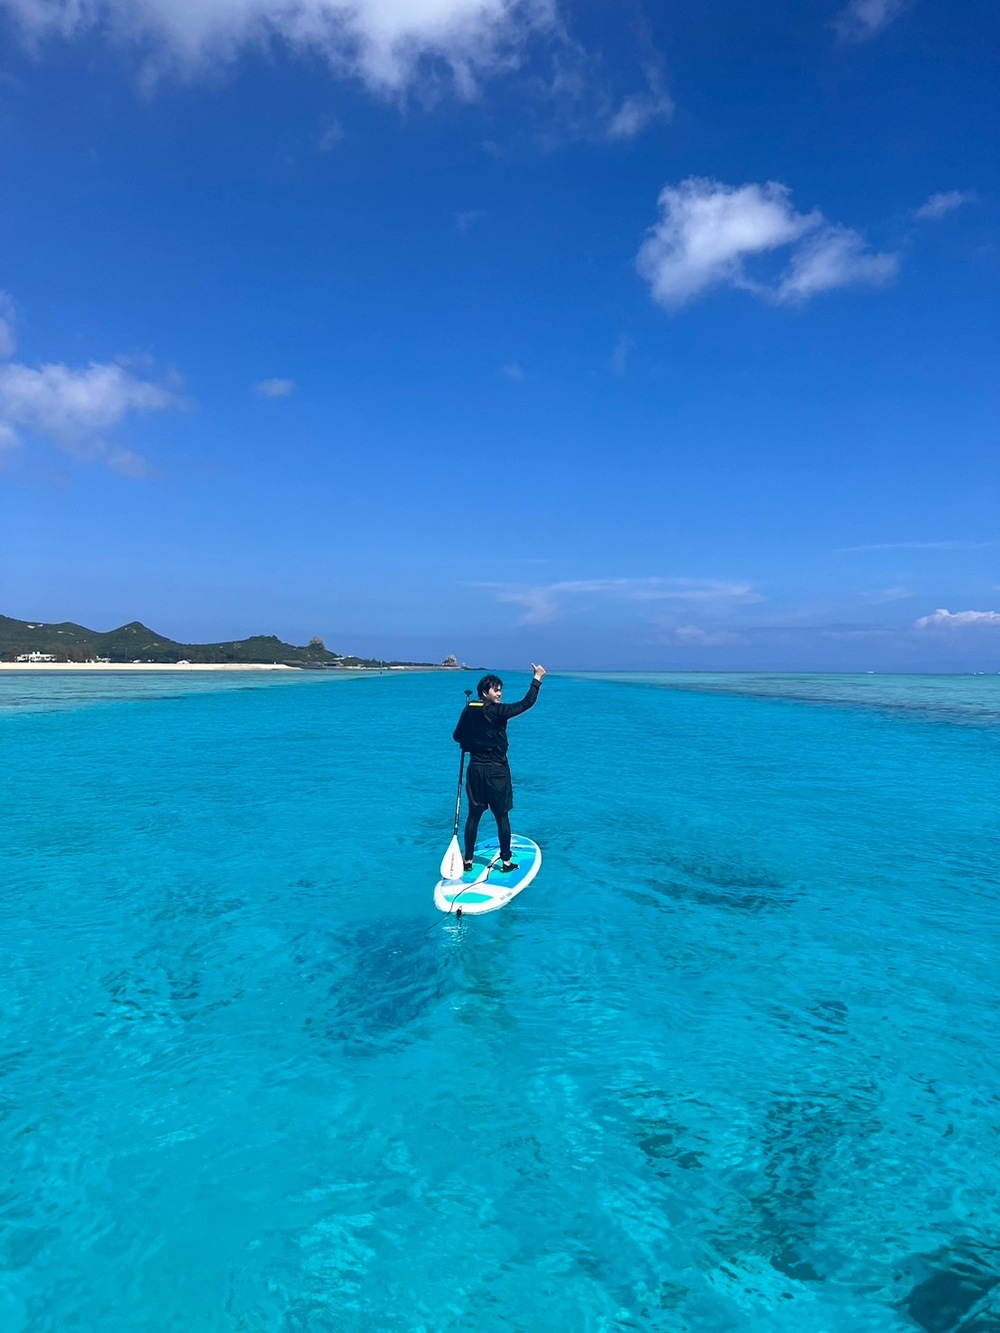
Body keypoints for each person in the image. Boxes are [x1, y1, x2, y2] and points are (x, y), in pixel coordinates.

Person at [452, 664, 546, 872]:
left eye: (500, 689)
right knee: (501, 816)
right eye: (496, 690)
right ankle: (506, 862)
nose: (500, 693)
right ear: (485, 692)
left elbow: (457, 737)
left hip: (475, 770)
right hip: (497, 772)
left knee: (474, 815)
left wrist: (472, 740)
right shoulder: (498, 711)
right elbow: (527, 703)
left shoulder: (469, 709)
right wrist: (537, 678)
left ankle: (468, 860)